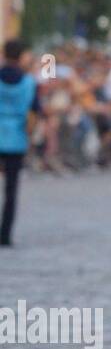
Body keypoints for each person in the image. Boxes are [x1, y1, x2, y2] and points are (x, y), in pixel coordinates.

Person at [0, 40, 40, 247]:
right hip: (16, 138)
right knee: (11, 190)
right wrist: (29, 134)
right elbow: (33, 113)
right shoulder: (28, 82)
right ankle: (5, 235)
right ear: (21, 55)